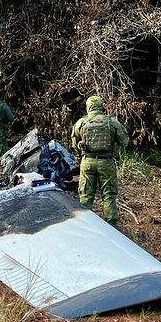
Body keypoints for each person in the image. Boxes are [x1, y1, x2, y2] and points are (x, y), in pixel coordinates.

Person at [71, 95, 129, 226]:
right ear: (101, 106)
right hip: (106, 162)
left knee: (85, 196)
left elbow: (74, 145)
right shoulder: (112, 122)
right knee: (109, 196)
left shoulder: (81, 123)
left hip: (87, 162)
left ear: (88, 107)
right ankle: (111, 227)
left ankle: (84, 226)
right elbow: (124, 142)